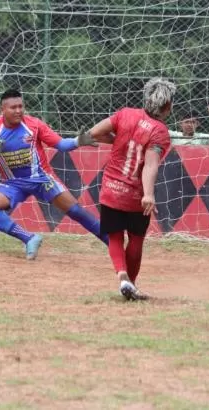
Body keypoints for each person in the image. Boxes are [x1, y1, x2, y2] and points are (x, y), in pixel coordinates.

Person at [0, 88, 106, 260]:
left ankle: (113, 244)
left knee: (76, 212)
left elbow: (60, 144)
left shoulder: (33, 124)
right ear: (2, 109)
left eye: (21, 106)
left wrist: (77, 141)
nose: (18, 111)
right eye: (13, 107)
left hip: (42, 179)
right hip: (13, 183)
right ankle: (29, 238)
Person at [83, 78, 175, 301]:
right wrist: (148, 194)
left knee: (114, 236)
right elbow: (150, 164)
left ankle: (122, 276)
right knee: (136, 239)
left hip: (111, 187)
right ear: (167, 106)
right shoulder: (160, 131)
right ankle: (131, 284)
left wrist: (118, 141)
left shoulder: (125, 114)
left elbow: (93, 133)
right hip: (134, 193)